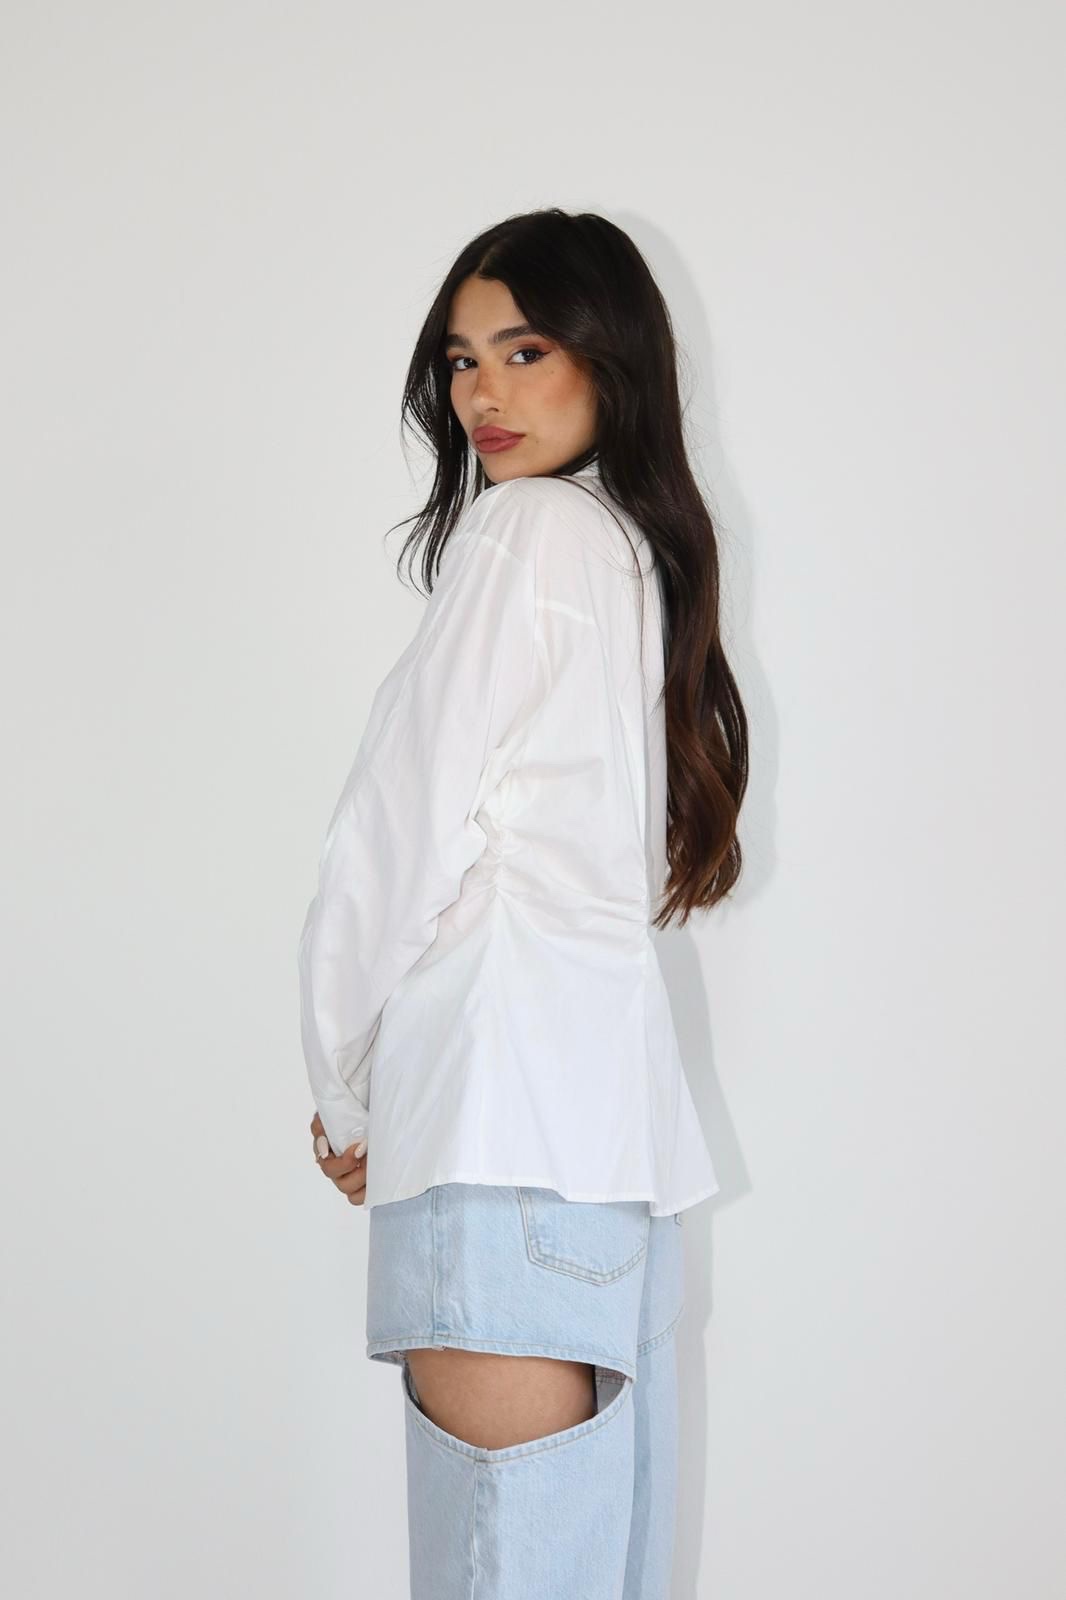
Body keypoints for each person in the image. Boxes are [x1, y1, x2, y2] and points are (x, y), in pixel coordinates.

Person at [298, 206, 748, 1598]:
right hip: (606, 1163)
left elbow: (394, 830)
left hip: (490, 1140)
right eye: (460, 360)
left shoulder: (526, 533)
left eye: (525, 349)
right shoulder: (628, 556)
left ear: (610, 359)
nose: (483, 392)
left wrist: (347, 1091)